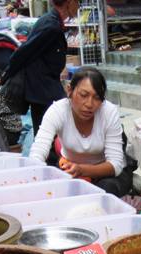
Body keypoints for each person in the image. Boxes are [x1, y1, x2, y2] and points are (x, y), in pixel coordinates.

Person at [30, 68, 133, 197]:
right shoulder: (58, 111)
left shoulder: (109, 112)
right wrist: (33, 174)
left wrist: (82, 170)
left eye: (97, 98)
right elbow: (39, 150)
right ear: (69, 90)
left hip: (106, 174)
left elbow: (115, 165)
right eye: (83, 95)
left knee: (105, 191)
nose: (89, 104)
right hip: (68, 169)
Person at [2, 0, 77, 133]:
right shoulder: (50, 25)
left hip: (45, 86)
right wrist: (5, 76)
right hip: (42, 89)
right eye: (78, 2)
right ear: (69, 3)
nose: (78, 6)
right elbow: (23, 52)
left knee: (51, 129)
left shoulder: (53, 22)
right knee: (50, 130)